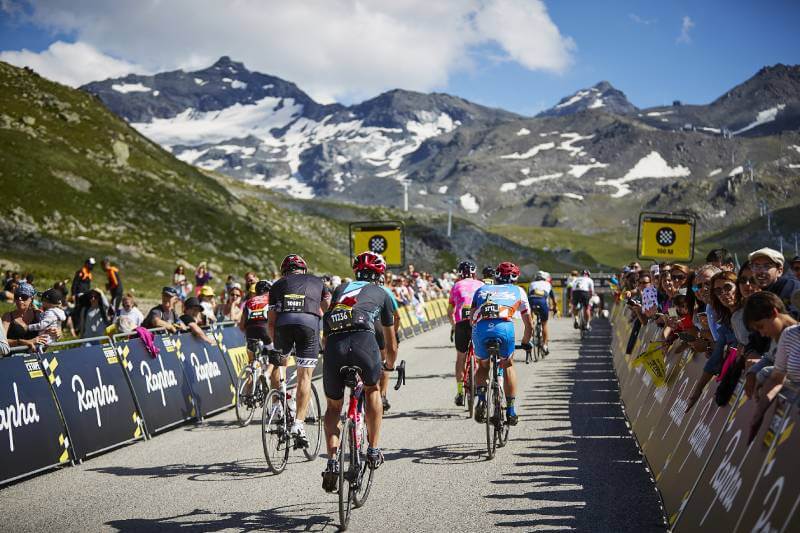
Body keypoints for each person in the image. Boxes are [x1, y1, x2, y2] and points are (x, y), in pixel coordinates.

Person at [321, 252, 397, 491]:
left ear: (356, 273)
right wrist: (390, 365)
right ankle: (373, 450)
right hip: (364, 343)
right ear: (380, 275)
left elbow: (326, 332)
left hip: (335, 344)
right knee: (373, 390)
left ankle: (332, 462)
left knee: (334, 407)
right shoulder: (383, 294)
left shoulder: (340, 289)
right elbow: (391, 342)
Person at [268, 254, 331, 447]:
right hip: (309, 326)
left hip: (283, 325)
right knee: (305, 376)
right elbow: (328, 307)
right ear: (304, 270)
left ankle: (278, 405)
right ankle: (298, 424)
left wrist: (274, 343)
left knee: (279, 365)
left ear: (284, 271)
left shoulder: (277, 285)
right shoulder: (318, 281)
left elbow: (271, 320)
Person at [471, 262, 533, 426]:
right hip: (504, 329)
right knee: (508, 364)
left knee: (483, 366)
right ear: (515, 278)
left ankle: (482, 399)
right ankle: (511, 410)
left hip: (482, 328)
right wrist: (526, 342)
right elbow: (529, 324)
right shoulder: (519, 291)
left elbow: (471, 319)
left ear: (496, 277)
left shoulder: (482, 289)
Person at [743, 292, 798, 400]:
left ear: (773, 312)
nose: (762, 334)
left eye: (761, 327)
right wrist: (752, 373)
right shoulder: (777, 337)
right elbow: (770, 357)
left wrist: (766, 375)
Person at [448, 260, 484, 406]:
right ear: (474, 273)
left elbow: (450, 311)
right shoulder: (482, 284)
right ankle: (481, 387)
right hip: (478, 324)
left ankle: (460, 392)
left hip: (462, 324)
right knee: (482, 357)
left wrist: (453, 326)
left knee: (460, 358)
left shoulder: (456, 285)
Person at [748, 248, 800, 318]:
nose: (760, 271)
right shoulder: (757, 295)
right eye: (756, 266)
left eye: (767, 266)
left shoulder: (790, 287)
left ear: (779, 271)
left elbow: (794, 318)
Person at [376, 273, 402, 412]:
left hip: (361, 330)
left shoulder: (361, 289)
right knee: (385, 363)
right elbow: (397, 316)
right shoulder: (386, 291)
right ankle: (382, 395)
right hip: (382, 329)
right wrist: (393, 333)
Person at [238, 280, 273, 364]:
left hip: (249, 330)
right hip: (264, 328)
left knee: (251, 359)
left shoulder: (249, 301)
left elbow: (242, 326)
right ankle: (267, 373)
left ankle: (251, 370)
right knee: (275, 355)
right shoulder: (270, 299)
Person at [527, 270, 558, 355]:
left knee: (531, 320)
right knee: (544, 324)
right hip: (542, 302)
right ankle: (545, 345)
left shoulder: (532, 284)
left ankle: (530, 338)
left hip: (532, 301)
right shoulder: (548, 284)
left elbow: (527, 298)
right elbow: (554, 300)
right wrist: (555, 308)